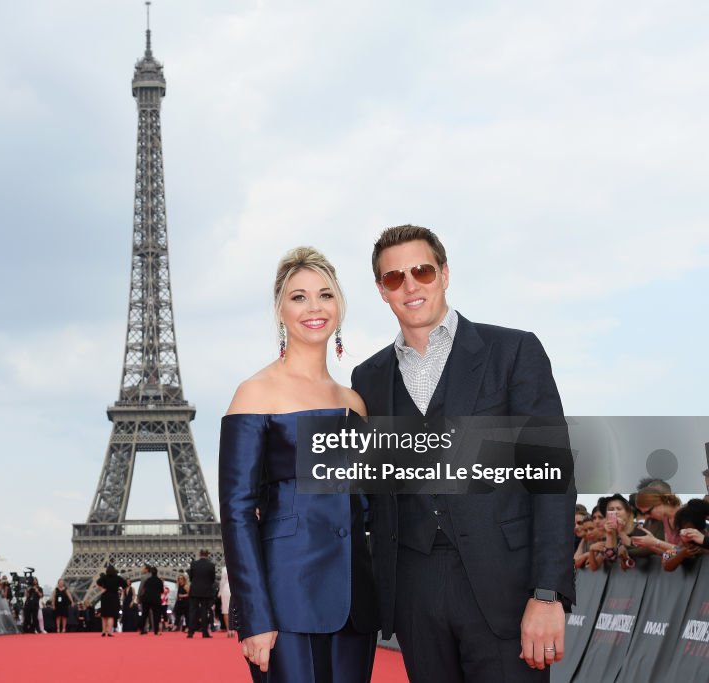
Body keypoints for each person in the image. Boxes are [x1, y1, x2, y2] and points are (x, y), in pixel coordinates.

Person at [351, 225, 576, 681]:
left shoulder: (512, 351)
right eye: (395, 278)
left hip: (506, 587)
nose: (410, 285)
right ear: (381, 291)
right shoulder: (367, 379)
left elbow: (552, 479)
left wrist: (548, 594)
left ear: (445, 273)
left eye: (422, 270)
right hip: (414, 591)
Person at [221, 247, 379, 681]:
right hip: (285, 599)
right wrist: (253, 615)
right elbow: (237, 512)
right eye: (299, 297)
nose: (314, 307)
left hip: (353, 602)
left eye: (325, 295)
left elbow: (365, 505)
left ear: (340, 306)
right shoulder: (255, 392)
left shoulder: (354, 402)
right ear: (279, 310)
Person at [187, 549, 216, 638]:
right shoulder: (211, 565)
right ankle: (204, 633)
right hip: (206, 591)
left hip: (195, 590)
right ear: (208, 555)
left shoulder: (194, 564)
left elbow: (191, 577)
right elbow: (212, 579)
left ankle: (190, 632)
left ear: (199, 554)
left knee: (193, 612)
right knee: (204, 612)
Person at [96, 565, 127, 637]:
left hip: (105, 596)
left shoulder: (104, 577)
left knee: (104, 615)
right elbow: (125, 585)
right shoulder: (117, 578)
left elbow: (98, 582)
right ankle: (109, 631)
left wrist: (102, 589)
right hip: (114, 597)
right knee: (111, 616)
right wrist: (121, 592)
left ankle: (103, 631)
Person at [138, 565, 164, 635]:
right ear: (157, 572)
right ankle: (156, 631)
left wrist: (139, 598)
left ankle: (141, 630)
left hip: (146, 599)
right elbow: (162, 591)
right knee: (156, 615)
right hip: (156, 599)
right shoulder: (159, 581)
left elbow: (143, 589)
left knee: (144, 614)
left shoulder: (147, 580)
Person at [218, 566, 234, 638]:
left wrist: (220, 592)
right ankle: (233, 629)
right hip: (235, 589)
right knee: (234, 609)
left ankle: (228, 630)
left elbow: (222, 581)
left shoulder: (224, 569)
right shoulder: (238, 565)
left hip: (226, 589)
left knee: (226, 610)